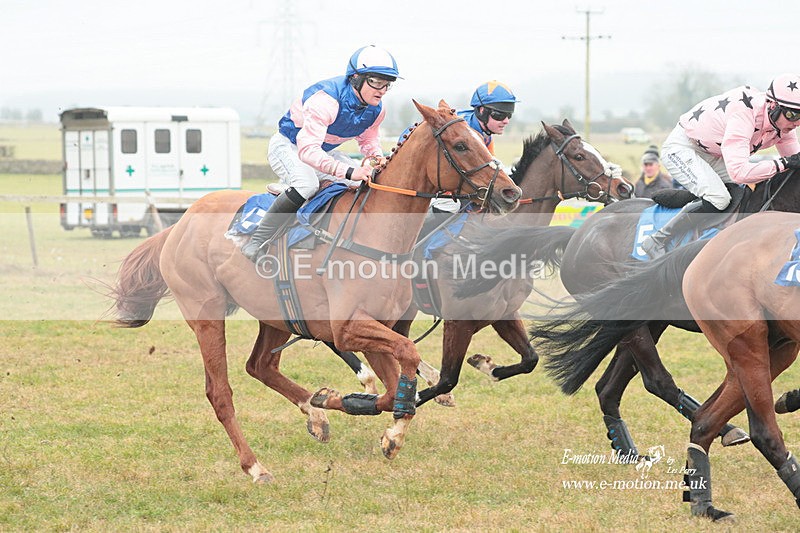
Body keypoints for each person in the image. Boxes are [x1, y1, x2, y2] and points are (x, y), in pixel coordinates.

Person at [241, 45, 400, 261]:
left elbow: (368, 137)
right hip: (289, 147)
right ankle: (258, 239)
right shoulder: (326, 101)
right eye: (376, 81)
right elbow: (307, 151)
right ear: (355, 78)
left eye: (387, 84)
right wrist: (347, 170)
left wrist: (376, 156)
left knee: (362, 184)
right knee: (307, 184)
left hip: (321, 151)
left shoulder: (377, 109)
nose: (382, 90)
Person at [641, 73, 800, 259]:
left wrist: (788, 162)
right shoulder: (744, 114)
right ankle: (658, 240)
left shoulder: (783, 126)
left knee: (747, 190)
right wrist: (783, 163)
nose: (796, 123)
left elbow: (792, 164)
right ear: (773, 106)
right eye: (792, 115)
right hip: (683, 148)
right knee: (719, 198)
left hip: (715, 154)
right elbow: (741, 172)